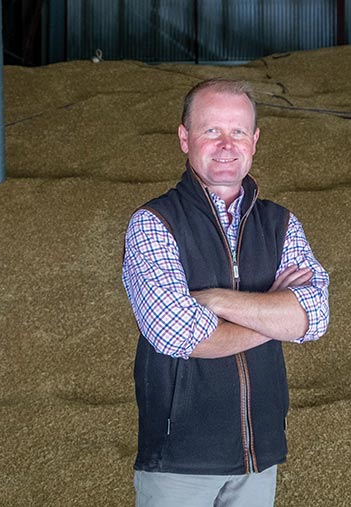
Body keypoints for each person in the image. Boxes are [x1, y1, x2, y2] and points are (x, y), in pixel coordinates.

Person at [122, 78, 330, 507]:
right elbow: (180, 335)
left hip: (259, 453)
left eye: (238, 132)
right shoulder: (153, 222)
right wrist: (276, 314)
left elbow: (316, 317)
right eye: (211, 130)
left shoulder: (281, 223)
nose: (226, 144)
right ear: (184, 137)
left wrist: (215, 300)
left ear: (254, 141)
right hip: (180, 459)